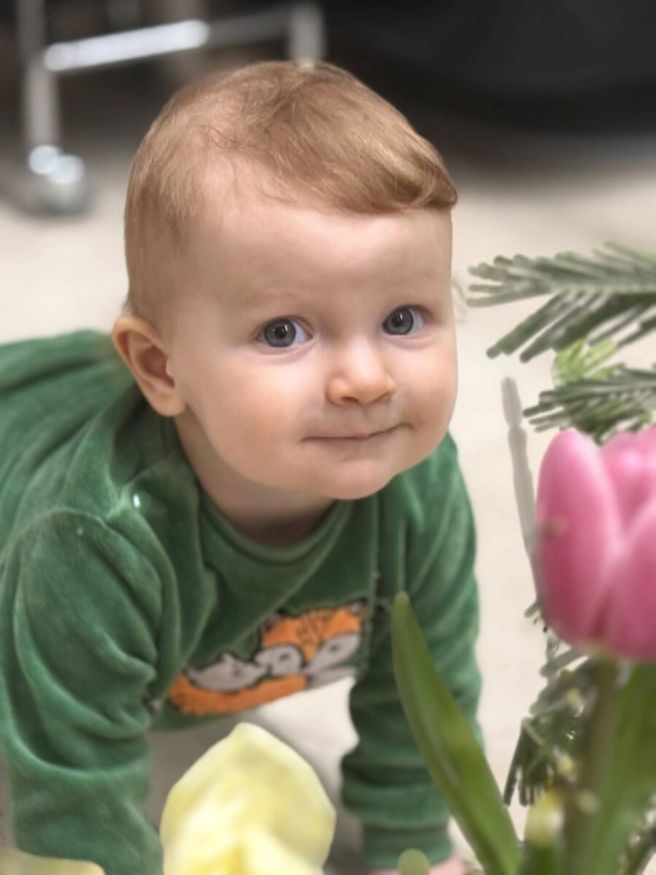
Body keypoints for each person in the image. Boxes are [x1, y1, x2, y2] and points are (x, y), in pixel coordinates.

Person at [0, 61, 480, 875]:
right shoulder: (95, 536)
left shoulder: (420, 491)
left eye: (403, 318)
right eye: (284, 332)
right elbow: (72, 785)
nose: (366, 380)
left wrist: (414, 852)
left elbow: (424, 700)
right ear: (161, 368)